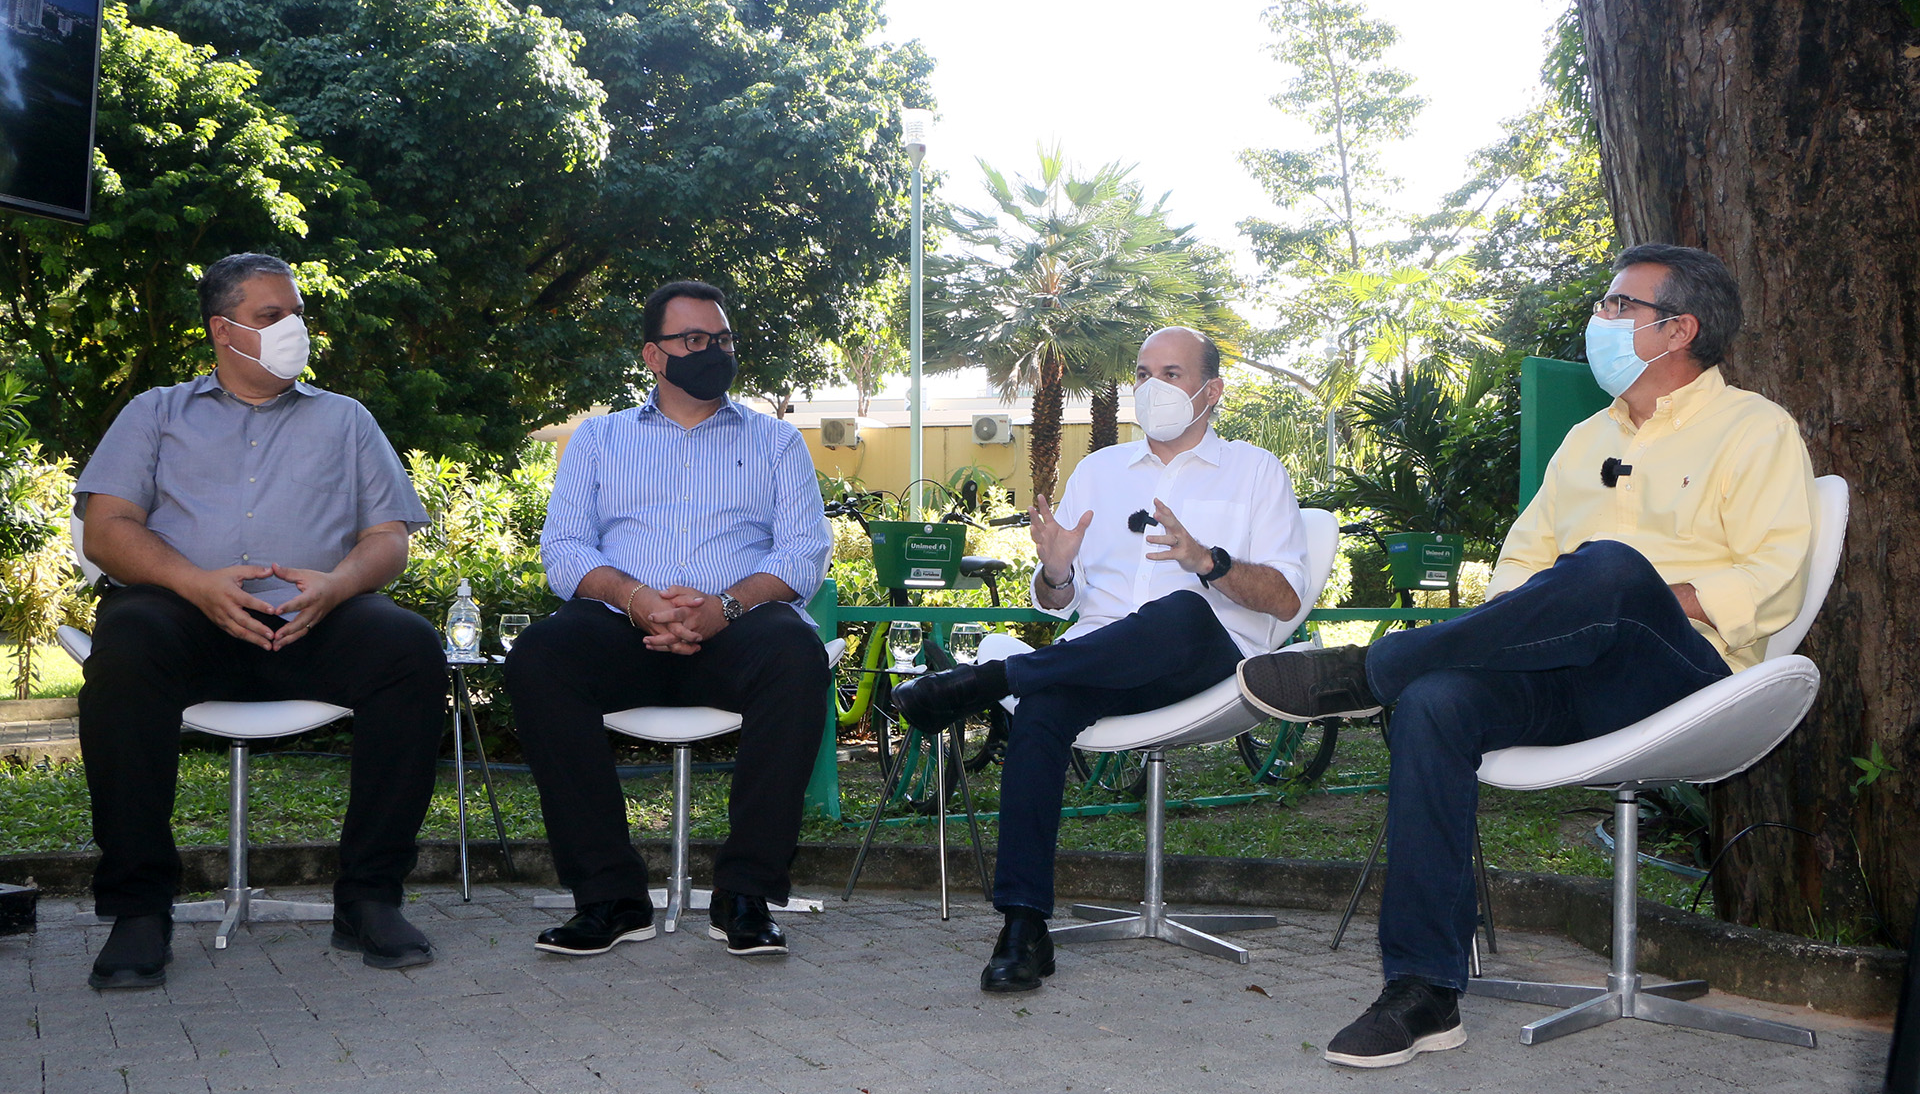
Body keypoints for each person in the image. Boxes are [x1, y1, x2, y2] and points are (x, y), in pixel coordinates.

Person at [1236, 244, 1819, 1069]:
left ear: (1679, 329)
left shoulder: (1756, 430)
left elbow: (1771, 582)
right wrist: (1543, 616)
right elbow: (1519, 566)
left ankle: (1369, 672)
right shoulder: (1586, 438)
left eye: (1620, 306)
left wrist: (1632, 595)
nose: (1600, 319)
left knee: (1613, 569)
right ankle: (1423, 990)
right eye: (1604, 304)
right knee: (1439, 702)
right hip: (1568, 677)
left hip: (1685, 675)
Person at [893, 326, 1311, 993]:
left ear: (1212, 390)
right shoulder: (1099, 471)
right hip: (1096, 659)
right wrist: (1055, 570)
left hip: (1207, 662)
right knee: (1045, 709)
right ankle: (1024, 925)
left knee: (1178, 610)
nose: (1152, 389)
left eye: (1170, 374)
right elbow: (1059, 603)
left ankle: (990, 680)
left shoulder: (1256, 471)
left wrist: (1208, 562)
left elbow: (1286, 600)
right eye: (1143, 373)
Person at [75, 253, 446, 990]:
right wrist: (196, 584)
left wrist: (338, 586)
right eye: (271, 316)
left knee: (409, 648)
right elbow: (107, 529)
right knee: (124, 651)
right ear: (224, 330)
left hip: (316, 619)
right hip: (182, 617)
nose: (294, 329)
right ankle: (139, 910)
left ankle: (369, 897)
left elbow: (389, 539)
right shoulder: (155, 412)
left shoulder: (346, 419)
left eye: (298, 314)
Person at [505, 280, 833, 959]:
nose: (712, 351)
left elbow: (804, 554)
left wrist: (725, 607)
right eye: (694, 341)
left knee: (796, 655)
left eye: (722, 340)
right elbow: (564, 552)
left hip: (741, 629)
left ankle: (745, 893)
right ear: (655, 356)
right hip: (623, 628)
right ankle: (608, 897)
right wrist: (638, 599)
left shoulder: (776, 441)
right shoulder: (598, 440)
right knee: (541, 655)